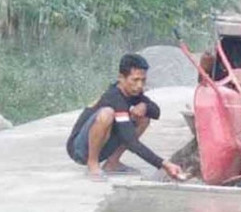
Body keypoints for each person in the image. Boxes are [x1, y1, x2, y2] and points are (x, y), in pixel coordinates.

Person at [66, 53, 183, 181]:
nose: (140, 85)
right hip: (79, 150)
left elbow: (156, 112)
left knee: (143, 117)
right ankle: (92, 164)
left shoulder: (133, 93)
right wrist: (163, 164)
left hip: (103, 145)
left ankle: (112, 163)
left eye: (143, 80)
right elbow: (130, 141)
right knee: (107, 114)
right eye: (135, 80)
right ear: (121, 78)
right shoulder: (114, 96)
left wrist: (144, 105)